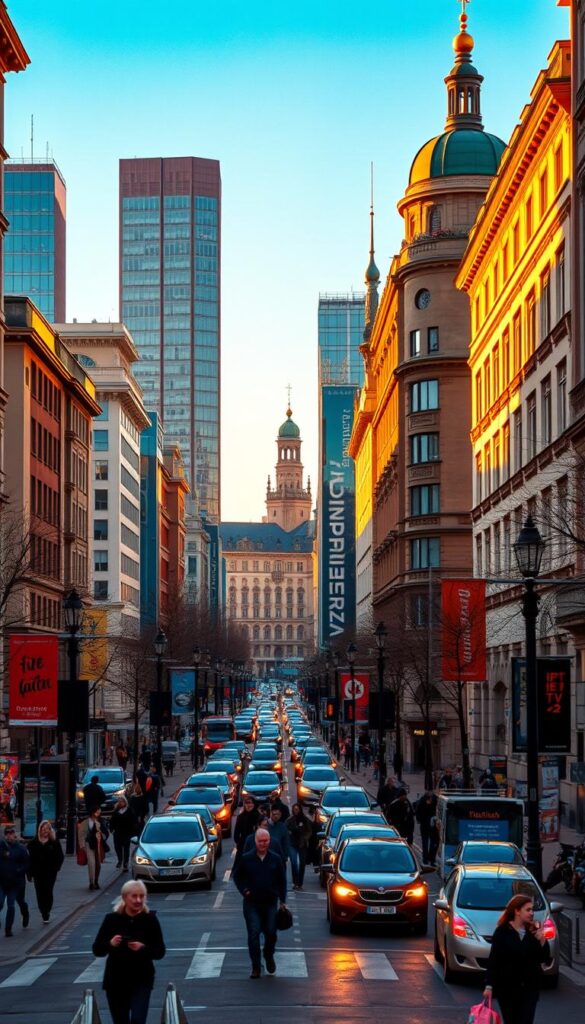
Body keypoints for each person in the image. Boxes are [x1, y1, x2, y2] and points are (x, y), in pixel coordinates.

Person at [93, 879, 165, 1024]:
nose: (138, 900)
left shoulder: (150, 920)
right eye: (134, 896)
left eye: (142, 896)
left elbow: (160, 951)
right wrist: (110, 944)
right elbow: (97, 949)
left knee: (138, 1019)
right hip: (115, 981)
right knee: (121, 1021)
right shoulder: (112, 919)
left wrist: (143, 948)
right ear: (125, 897)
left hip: (141, 979)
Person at [484, 895, 551, 1024]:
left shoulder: (533, 932)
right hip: (507, 989)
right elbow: (494, 960)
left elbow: (544, 958)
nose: (532, 913)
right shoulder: (502, 932)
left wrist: (542, 940)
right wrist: (489, 985)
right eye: (528, 910)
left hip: (529, 989)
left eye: (532, 910)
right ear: (517, 911)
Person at [232, 828, 287, 978]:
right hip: (252, 903)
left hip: (270, 902)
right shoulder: (246, 858)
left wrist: (282, 901)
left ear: (270, 841)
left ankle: (268, 955)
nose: (263, 844)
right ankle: (256, 966)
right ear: (255, 841)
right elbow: (237, 877)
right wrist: (245, 890)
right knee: (253, 934)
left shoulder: (275, 859)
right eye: (260, 841)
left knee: (271, 933)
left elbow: (282, 881)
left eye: (266, 841)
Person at [27, 819, 64, 923]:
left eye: (47, 829)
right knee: (39, 892)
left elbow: (60, 857)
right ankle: (42, 910)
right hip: (37, 873)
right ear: (39, 830)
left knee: (48, 891)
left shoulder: (54, 843)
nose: (45, 831)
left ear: (50, 831)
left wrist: (56, 868)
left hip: (50, 873)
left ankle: (47, 911)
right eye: (43, 829)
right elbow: (28, 859)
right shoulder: (33, 843)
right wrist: (29, 874)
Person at [0, 824, 30, 936]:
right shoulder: (1, 847)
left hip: (15, 883)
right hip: (2, 882)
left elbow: (27, 864)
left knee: (14, 904)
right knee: (0, 903)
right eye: (7, 834)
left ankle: (10, 927)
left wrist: (19, 871)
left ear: (15, 835)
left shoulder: (21, 849)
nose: (9, 836)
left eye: (11, 833)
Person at [78, 808, 109, 890]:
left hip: (98, 845)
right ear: (92, 812)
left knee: (98, 864)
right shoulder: (85, 822)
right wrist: (82, 846)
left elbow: (106, 833)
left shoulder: (101, 821)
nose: (98, 813)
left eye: (99, 812)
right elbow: (81, 834)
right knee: (91, 863)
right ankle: (91, 883)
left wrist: (100, 834)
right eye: (96, 811)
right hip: (88, 844)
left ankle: (96, 881)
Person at [286, 803, 312, 889]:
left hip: (302, 844)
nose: (296, 811)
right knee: (294, 862)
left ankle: (300, 882)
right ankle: (295, 882)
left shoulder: (305, 820)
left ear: (300, 810)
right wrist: (288, 833)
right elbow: (285, 829)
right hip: (292, 844)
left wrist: (305, 838)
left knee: (302, 863)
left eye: (297, 809)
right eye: (294, 809)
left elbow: (309, 831)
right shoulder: (289, 820)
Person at [110, 797, 138, 872]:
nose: (120, 803)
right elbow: (112, 821)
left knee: (126, 848)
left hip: (126, 832)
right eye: (119, 801)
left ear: (125, 802)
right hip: (117, 832)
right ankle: (120, 860)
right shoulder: (116, 811)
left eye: (122, 801)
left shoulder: (129, 810)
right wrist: (111, 829)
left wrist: (133, 832)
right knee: (117, 847)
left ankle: (125, 863)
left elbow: (133, 821)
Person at [234, 796, 260, 866]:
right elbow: (236, 832)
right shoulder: (241, 817)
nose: (249, 805)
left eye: (250, 803)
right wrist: (238, 842)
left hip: (256, 845)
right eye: (246, 803)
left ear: (254, 804)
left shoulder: (258, 816)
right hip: (243, 844)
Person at [415, 791, 438, 865]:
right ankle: (426, 859)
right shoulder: (422, 801)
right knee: (425, 843)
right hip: (425, 825)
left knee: (433, 843)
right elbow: (418, 812)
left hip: (432, 825)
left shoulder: (435, 799)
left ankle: (431, 859)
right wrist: (421, 820)